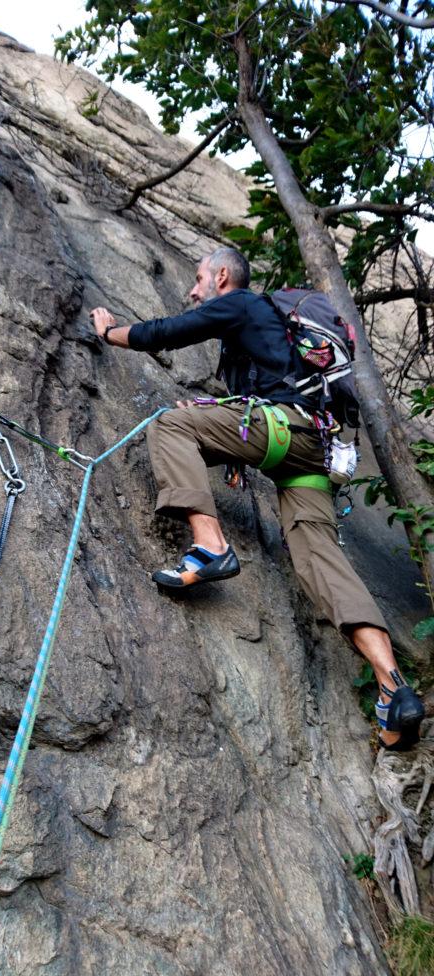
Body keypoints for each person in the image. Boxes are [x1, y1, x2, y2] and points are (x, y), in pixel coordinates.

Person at [90, 247, 424, 751]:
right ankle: (393, 687)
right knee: (318, 559)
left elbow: (166, 332)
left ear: (222, 276)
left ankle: (209, 548)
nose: (194, 289)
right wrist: (219, 414)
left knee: (169, 425)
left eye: (199, 279)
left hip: (283, 430)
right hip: (311, 453)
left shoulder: (242, 303)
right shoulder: (262, 337)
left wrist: (108, 331)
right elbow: (263, 393)